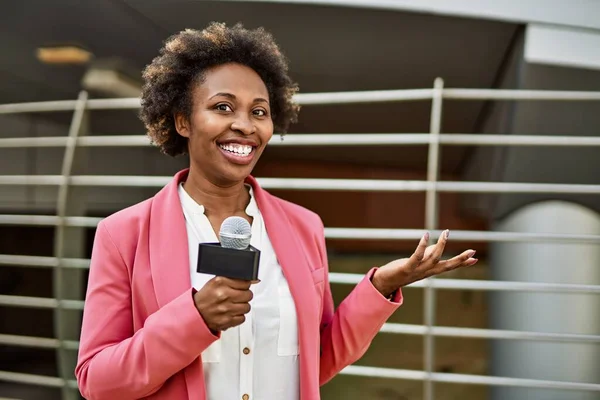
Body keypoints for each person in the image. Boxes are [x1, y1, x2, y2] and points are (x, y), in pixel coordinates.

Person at [75, 22, 477, 400]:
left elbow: (313, 363)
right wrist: (193, 319)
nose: (245, 126)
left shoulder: (303, 226)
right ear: (183, 120)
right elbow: (96, 380)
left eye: (259, 111)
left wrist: (380, 288)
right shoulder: (123, 233)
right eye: (222, 107)